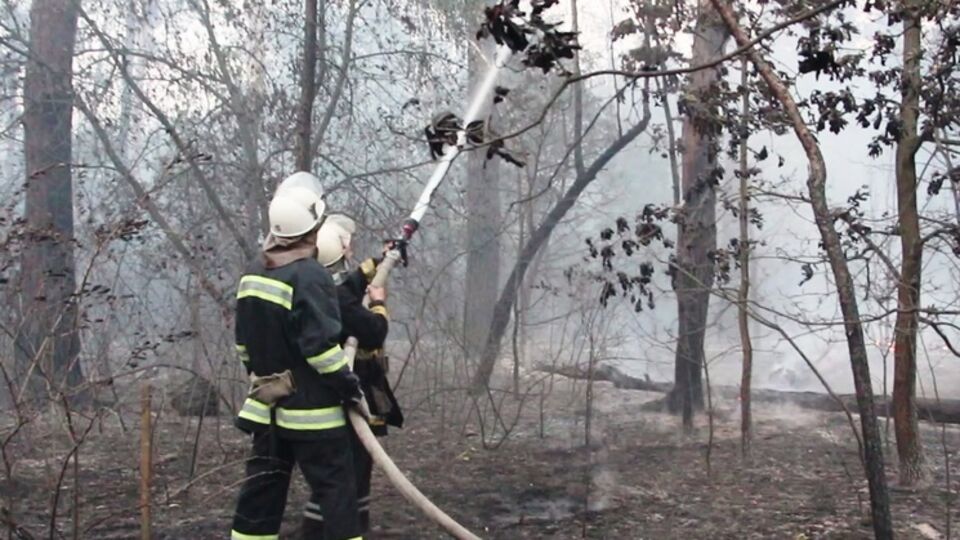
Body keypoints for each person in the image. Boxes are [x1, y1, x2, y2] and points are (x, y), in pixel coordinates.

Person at [231, 172, 364, 540]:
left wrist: (263, 377)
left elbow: (243, 343)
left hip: (268, 409)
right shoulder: (310, 276)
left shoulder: (254, 271)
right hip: (313, 416)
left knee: (261, 494)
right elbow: (321, 350)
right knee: (336, 493)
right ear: (313, 228)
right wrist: (350, 387)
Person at [302, 214, 404, 537]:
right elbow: (374, 332)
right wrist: (378, 304)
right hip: (355, 395)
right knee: (352, 470)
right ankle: (336, 530)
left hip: (343, 394)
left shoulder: (321, 287)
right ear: (341, 250)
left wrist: (382, 260)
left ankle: (330, 527)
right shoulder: (339, 300)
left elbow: (351, 282)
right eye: (348, 247)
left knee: (346, 473)